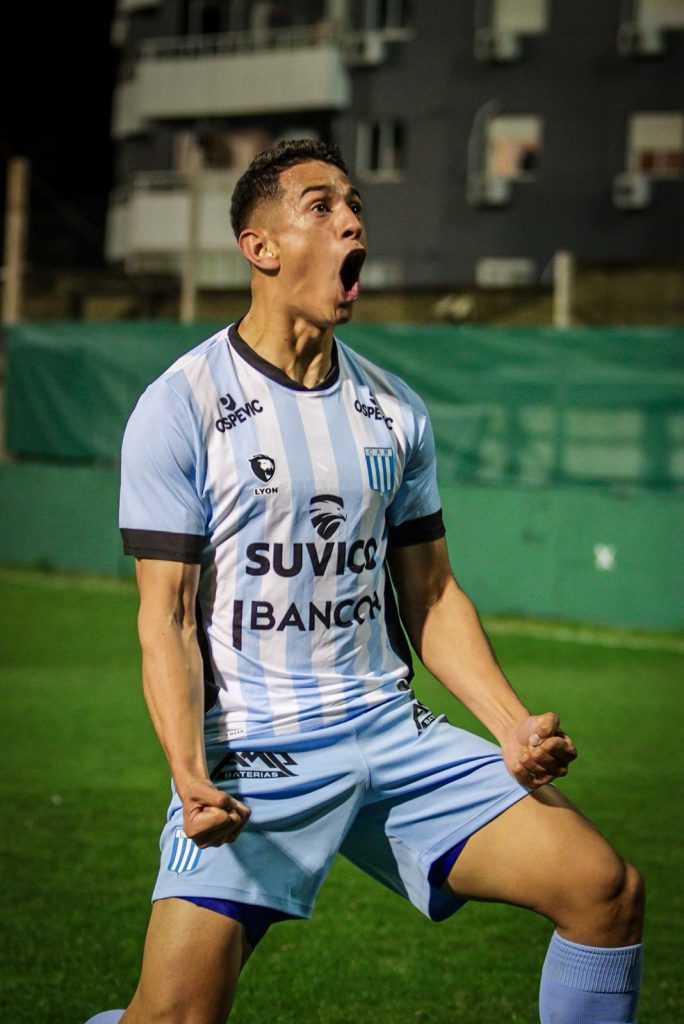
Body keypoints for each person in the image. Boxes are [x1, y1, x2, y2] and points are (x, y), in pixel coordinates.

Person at [85, 139, 644, 1024]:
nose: (351, 221)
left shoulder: (394, 411)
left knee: (604, 891)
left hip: (391, 734)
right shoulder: (181, 404)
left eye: (354, 206)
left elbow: (432, 595)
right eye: (321, 206)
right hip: (257, 754)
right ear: (260, 247)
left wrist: (509, 725)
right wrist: (188, 772)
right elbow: (168, 618)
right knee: (173, 1017)